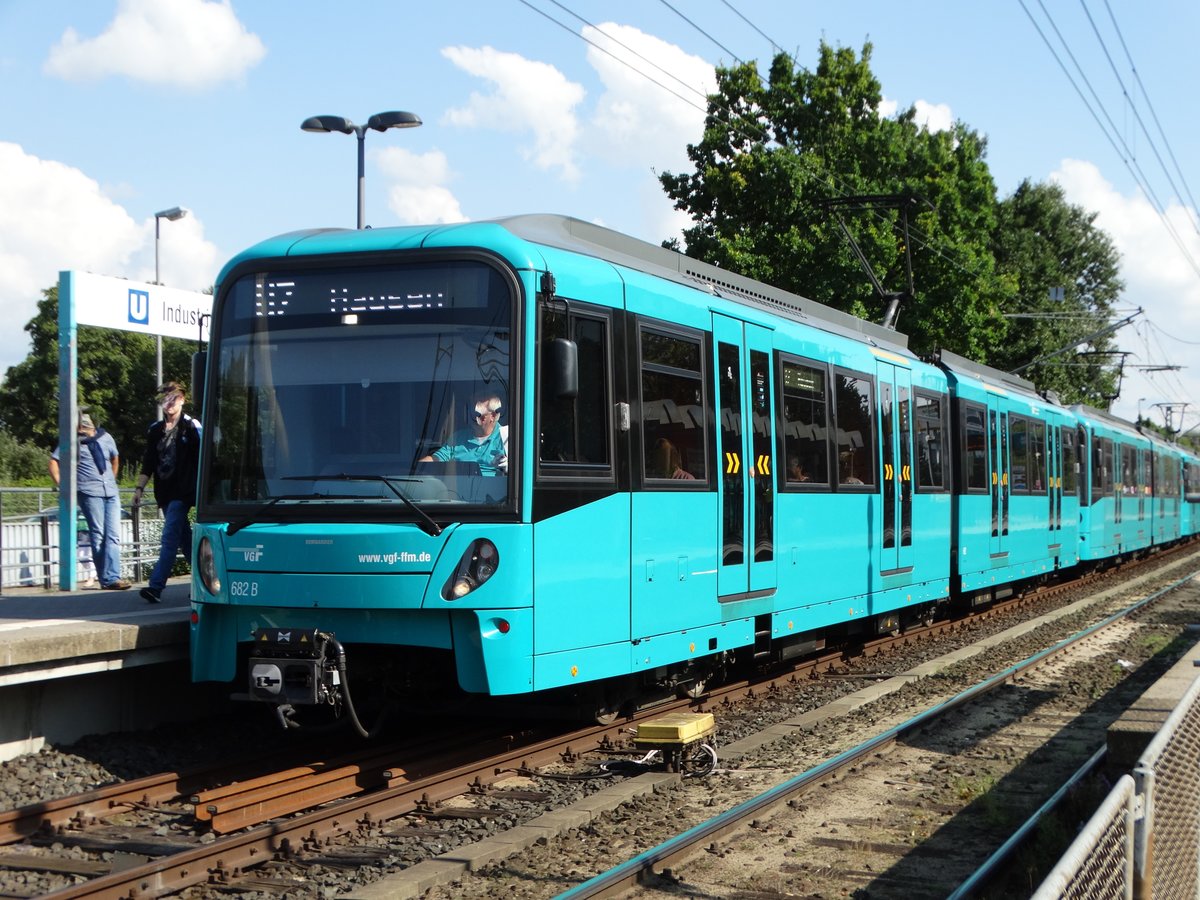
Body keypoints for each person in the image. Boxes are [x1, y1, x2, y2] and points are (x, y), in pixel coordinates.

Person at [132, 383, 202, 603]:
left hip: (183, 492)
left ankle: (156, 587)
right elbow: (149, 462)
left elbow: (203, 459)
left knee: (169, 537)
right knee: (186, 540)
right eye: (165, 399)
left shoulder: (192, 427)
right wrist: (139, 489)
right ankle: (203, 584)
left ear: (182, 400)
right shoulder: (155, 429)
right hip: (164, 492)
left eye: (173, 398)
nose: (169, 403)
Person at [49, 412, 131, 590]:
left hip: (110, 490)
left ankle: (112, 576)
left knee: (113, 535)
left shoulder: (106, 437)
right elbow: (54, 462)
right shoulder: (72, 442)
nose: (85, 432)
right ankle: (108, 579)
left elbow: (115, 458)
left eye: (86, 429)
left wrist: (112, 478)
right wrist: (63, 485)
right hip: (88, 491)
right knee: (99, 534)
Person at [420, 392, 508, 476]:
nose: (471, 417)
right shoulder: (458, 437)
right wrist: (413, 470)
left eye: (477, 414)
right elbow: (437, 458)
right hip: (458, 487)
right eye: (469, 412)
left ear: (492, 416)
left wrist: (508, 468)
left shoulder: (507, 438)